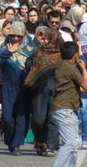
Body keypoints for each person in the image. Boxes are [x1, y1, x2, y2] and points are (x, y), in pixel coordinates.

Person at [52, 42, 87, 167]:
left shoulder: (60, 65)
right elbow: (86, 85)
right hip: (65, 109)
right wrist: (83, 68)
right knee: (70, 143)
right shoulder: (71, 68)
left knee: (74, 143)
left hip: (64, 108)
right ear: (76, 55)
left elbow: (71, 86)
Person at [0, 21, 31, 155]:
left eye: (19, 36)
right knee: (8, 118)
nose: (16, 39)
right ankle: (9, 139)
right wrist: (8, 52)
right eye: (13, 35)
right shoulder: (4, 48)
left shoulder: (30, 48)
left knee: (21, 117)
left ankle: (16, 144)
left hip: (25, 87)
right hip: (8, 87)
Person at [25, 27, 62, 156]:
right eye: (43, 37)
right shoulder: (38, 52)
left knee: (53, 119)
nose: (44, 40)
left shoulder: (62, 55)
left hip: (56, 91)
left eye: (47, 38)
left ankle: (51, 145)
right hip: (39, 91)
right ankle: (40, 141)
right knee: (38, 119)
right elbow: (29, 67)